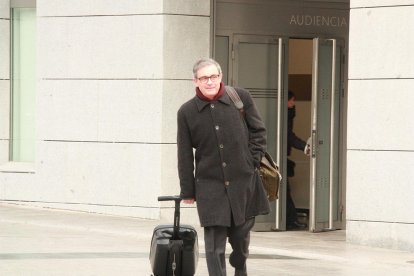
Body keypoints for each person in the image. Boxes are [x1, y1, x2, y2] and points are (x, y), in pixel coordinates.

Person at [177, 58, 270, 276]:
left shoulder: (240, 98)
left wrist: (251, 161)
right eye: (204, 78)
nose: (210, 81)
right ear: (195, 81)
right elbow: (183, 154)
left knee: (240, 239)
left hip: (243, 181)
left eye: (213, 76)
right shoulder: (186, 112)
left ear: (220, 77)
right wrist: (187, 191)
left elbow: (259, 132)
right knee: (214, 246)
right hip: (209, 185)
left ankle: (240, 264)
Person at [286, 90, 308, 230]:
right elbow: (289, 136)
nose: (293, 103)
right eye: (291, 100)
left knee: (285, 190)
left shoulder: (288, 114)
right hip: (274, 156)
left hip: (282, 155)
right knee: (284, 190)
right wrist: (304, 146)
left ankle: (290, 219)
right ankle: (291, 219)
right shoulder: (282, 115)